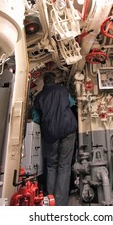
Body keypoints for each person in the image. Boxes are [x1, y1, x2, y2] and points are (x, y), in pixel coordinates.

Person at [33, 72, 77, 206]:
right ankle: (61, 202)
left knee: (51, 166)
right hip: (68, 129)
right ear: (54, 80)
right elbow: (72, 103)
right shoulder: (62, 90)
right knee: (64, 166)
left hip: (50, 133)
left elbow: (35, 119)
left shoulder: (38, 97)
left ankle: (50, 200)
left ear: (44, 82)